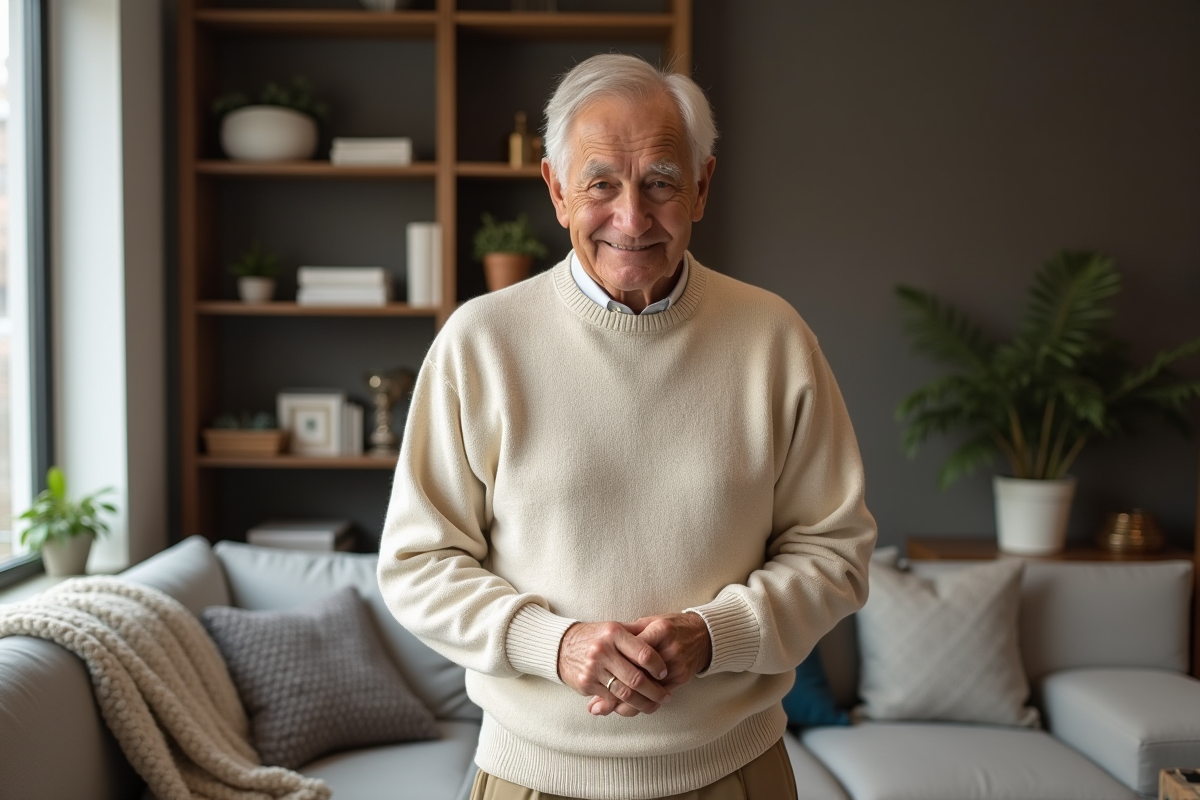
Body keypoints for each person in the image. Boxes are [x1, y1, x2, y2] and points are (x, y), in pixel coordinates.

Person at [377, 53, 877, 800]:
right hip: (530, 776)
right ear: (555, 190)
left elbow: (835, 553)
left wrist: (713, 637)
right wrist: (557, 645)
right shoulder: (479, 343)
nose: (632, 218)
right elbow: (416, 564)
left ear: (702, 186)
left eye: (661, 183)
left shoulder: (776, 339)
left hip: (734, 774)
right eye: (601, 183)